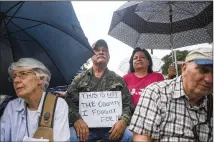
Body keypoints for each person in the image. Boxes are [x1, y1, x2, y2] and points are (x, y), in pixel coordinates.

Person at [129, 47, 213, 141]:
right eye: (202, 70)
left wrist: (170, 76)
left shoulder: (157, 77)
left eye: (142, 57)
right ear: (184, 68)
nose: (209, 79)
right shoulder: (155, 92)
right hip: (138, 116)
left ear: (149, 62)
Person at [65, 39, 134, 142]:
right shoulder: (79, 79)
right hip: (86, 129)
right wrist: (76, 120)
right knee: (70, 137)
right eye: (97, 50)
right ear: (91, 55)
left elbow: (128, 105)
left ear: (109, 56)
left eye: (104, 50)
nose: (101, 52)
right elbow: (69, 102)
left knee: (129, 136)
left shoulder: (118, 80)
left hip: (112, 129)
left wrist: (123, 121)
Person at [0, 58, 70, 141]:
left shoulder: (57, 105)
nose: (16, 80)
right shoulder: (12, 106)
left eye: (23, 74)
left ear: (40, 79)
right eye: (14, 76)